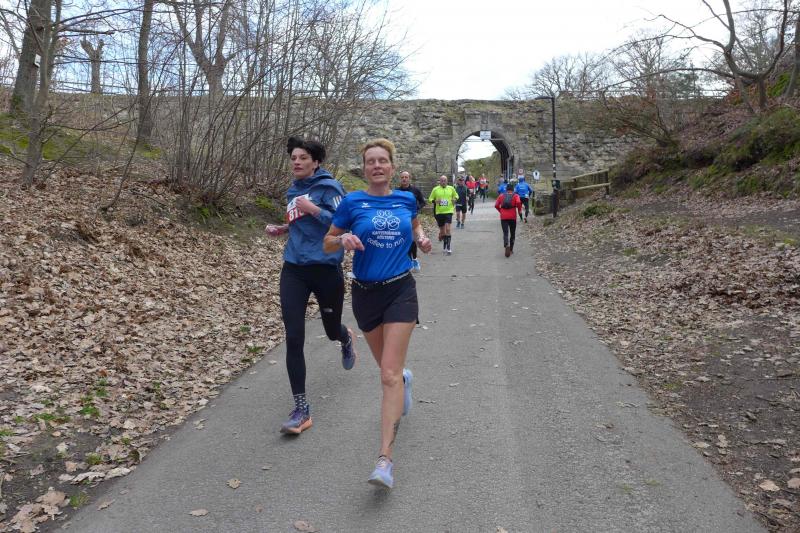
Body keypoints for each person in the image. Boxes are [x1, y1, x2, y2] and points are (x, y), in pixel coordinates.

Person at [323, 138, 432, 489]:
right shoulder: (352, 202)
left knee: (387, 375)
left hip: (400, 289)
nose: (377, 166)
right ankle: (404, 380)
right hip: (365, 293)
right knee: (389, 371)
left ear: (392, 166)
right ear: (364, 168)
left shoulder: (406, 199)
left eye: (382, 160)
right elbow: (327, 241)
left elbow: (414, 226)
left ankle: (385, 460)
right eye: (371, 161)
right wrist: (343, 241)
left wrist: (422, 238)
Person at [265, 137, 357, 435]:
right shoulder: (293, 189)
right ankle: (301, 409)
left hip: (326, 269)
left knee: (331, 330)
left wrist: (314, 209)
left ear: (316, 162)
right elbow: (300, 222)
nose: (296, 162)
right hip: (294, 268)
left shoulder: (330, 188)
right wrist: (283, 228)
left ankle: (345, 337)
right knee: (294, 336)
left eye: (303, 157)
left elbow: (344, 225)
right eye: (293, 157)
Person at [397, 171, 426, 272]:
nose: (404, 179)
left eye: (406, 177)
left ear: (409, 179)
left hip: (412, 218)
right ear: (400, 179)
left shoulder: (415, 190)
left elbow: (423, 202)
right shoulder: (396, 191)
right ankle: (408, 260)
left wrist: (417, 208)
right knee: (404, 240)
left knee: (412, 239)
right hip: (400, 219)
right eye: (402, 177)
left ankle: (414, 259)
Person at [428, 175, 458, 255]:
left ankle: (448, 248)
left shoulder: (451, 188)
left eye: (445, 180)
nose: (443, 182)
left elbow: (456, 196)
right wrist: (435, 201)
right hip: (439, 212)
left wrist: (454, 199)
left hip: (449, 211)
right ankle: (444, 240)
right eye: (442, 180)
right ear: (439, 181)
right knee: (442, 231)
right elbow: (430, 199)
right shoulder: (435, 189)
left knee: (448, 229)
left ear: (447, 181)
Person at [494, 184, 523, 258]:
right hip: (512, 216)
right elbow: (518, 202)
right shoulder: (516, 196)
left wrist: (501, 211)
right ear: (513, 189)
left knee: (505, 232)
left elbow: (496, 205)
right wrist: (519, 210)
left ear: (506, 189)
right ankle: (511, 249)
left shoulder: (501, 196)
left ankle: (506, 244)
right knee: (512, 233)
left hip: (503, 217)